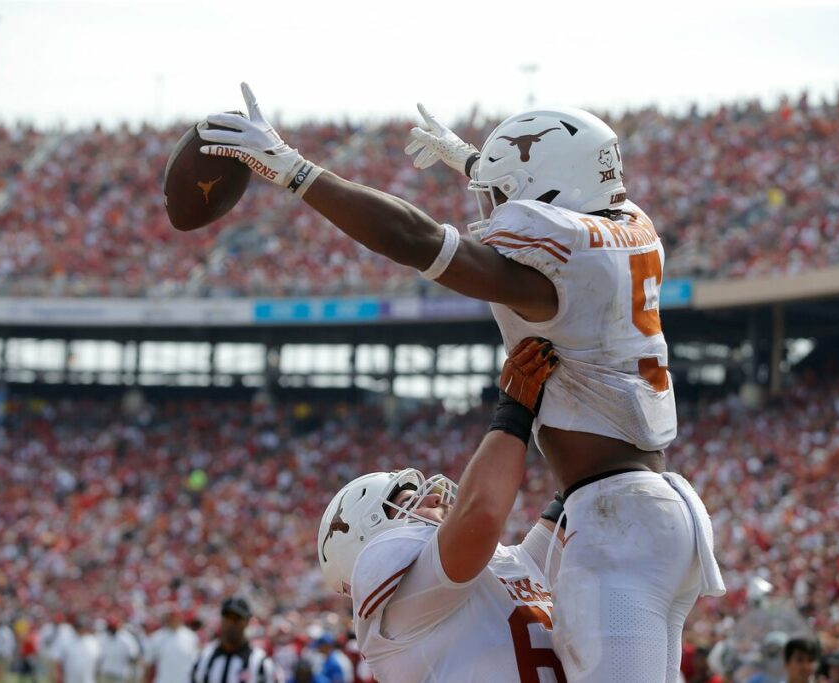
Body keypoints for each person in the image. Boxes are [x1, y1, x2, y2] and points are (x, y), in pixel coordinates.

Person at [200, 83, 725, 681]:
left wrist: (295, 171)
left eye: (500, 195)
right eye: (403, 498)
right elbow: (555, 190)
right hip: (640, 509)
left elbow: (418, 240)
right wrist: (472, 160)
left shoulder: (560, 265)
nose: (490, 210)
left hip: (616, 514)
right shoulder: (626, 225)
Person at [317, 337, 566, 682]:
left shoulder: (509, 562)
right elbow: (481, 514)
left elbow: (573, 502)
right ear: (369, 540)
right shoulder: (399, 609)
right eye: (406, 502)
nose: (432, 497)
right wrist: (515, 409)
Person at [188, 597, 280, 683]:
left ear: (247, 622)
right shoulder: (203, 658)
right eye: (228, 617)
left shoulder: (260, 663)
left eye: (237, 619)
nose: (231, 623)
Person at [144, 608, 197, 683]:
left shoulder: (190, 637)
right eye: (171, 618)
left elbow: (195, 664)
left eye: (176, 617)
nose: (174, 620)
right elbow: (148, 665)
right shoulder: (156, 638)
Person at [53, 618, 99, 683]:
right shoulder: (67, 641)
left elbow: (98, 661)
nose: (80, 629)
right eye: (78, 627)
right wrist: (58, 676)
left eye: (82, 627)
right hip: (71, 678)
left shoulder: (92, 641)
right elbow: (60, 661)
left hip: (88, 678)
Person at [96, 618, 140, 683]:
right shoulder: (104, 637)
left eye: (113, 627)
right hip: (106, 673)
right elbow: (99, 656)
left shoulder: (126, 638)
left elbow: (134, 657)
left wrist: (132, 676)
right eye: (110, 627)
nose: (111, 630)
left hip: (120, 675)